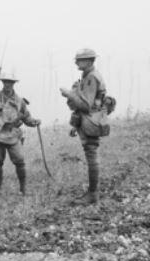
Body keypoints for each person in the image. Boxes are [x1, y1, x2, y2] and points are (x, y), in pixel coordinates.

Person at [60, 48, 108, 205]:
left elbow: (86, 105)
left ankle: (93, 194)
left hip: (91, 121)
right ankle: (92, 191)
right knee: (91, 155)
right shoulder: (87, 76)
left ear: (88, 61)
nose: (76, 63)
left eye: (79, 60)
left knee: (91, 155)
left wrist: (70, 94)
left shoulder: (91, 77)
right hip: (89, 121)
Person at [0, 71, 41, 194]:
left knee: (20, 160)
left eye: (10, 82)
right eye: (6, 82)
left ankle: (23, 189)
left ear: (14, 83)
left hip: (12, 135)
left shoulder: (20, 101)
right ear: (3, 83)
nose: (8, 84)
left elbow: (26, 117)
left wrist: (34, 121)